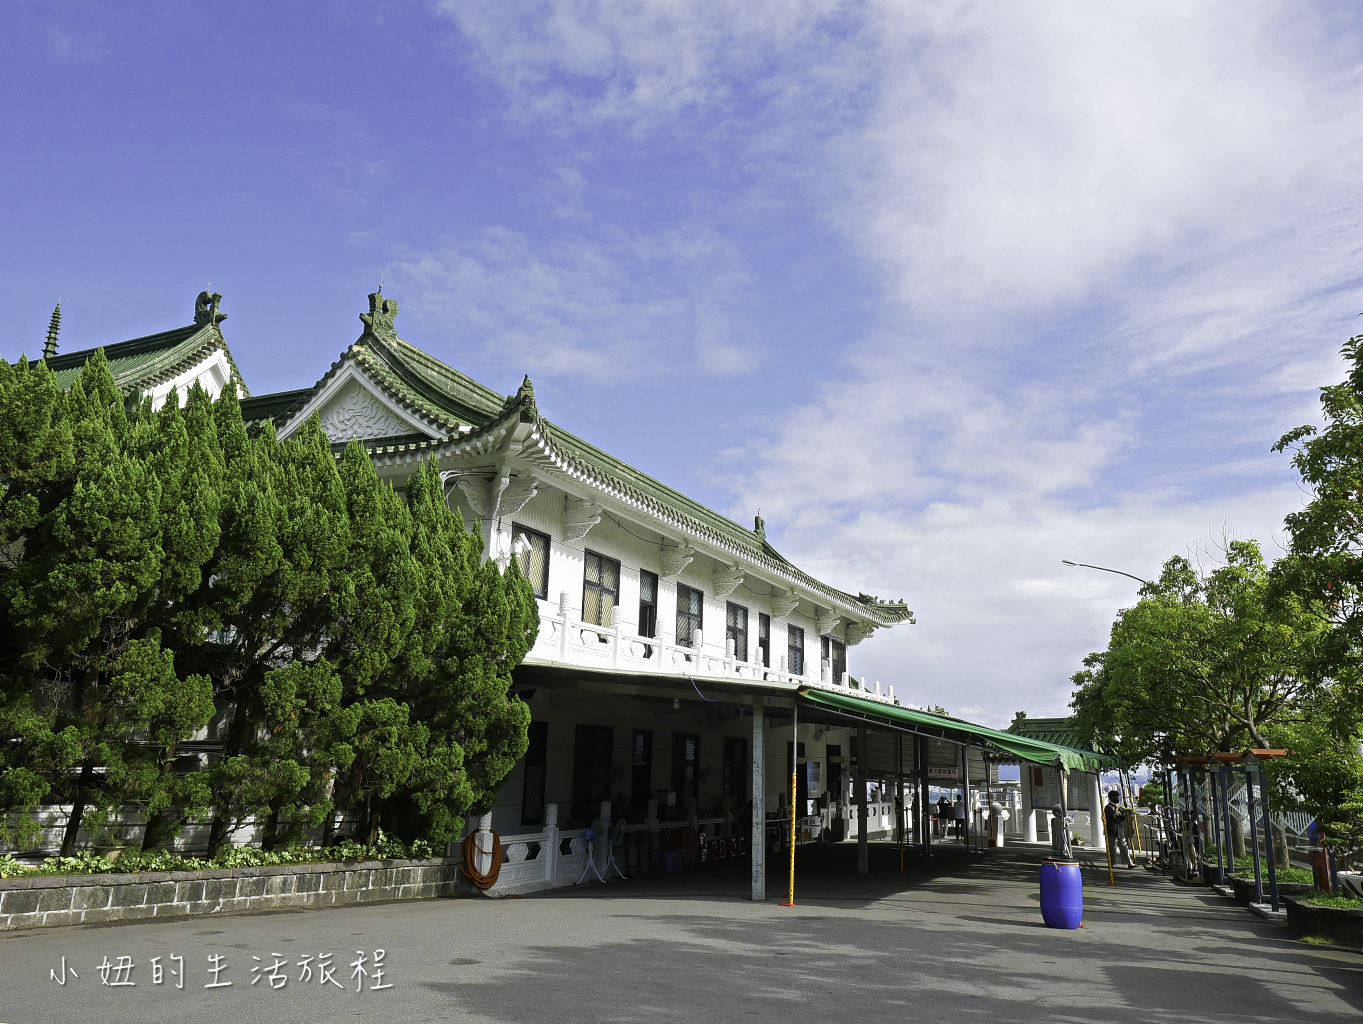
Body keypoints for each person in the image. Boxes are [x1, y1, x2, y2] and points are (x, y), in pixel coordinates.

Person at [1103, 789, 1136, 868]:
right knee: (1112, 847)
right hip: (1112, 830)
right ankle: (1111, 863)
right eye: (1116, 797)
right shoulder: (1108, 807)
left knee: (1124, 846)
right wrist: (1117, 809)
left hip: (1120, 829)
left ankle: (1129, 862)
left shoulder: (1118, 807)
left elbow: (1121, 818)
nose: (1117, 799)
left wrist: (1123, 813)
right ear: (1112, 798)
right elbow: (1112, 817)